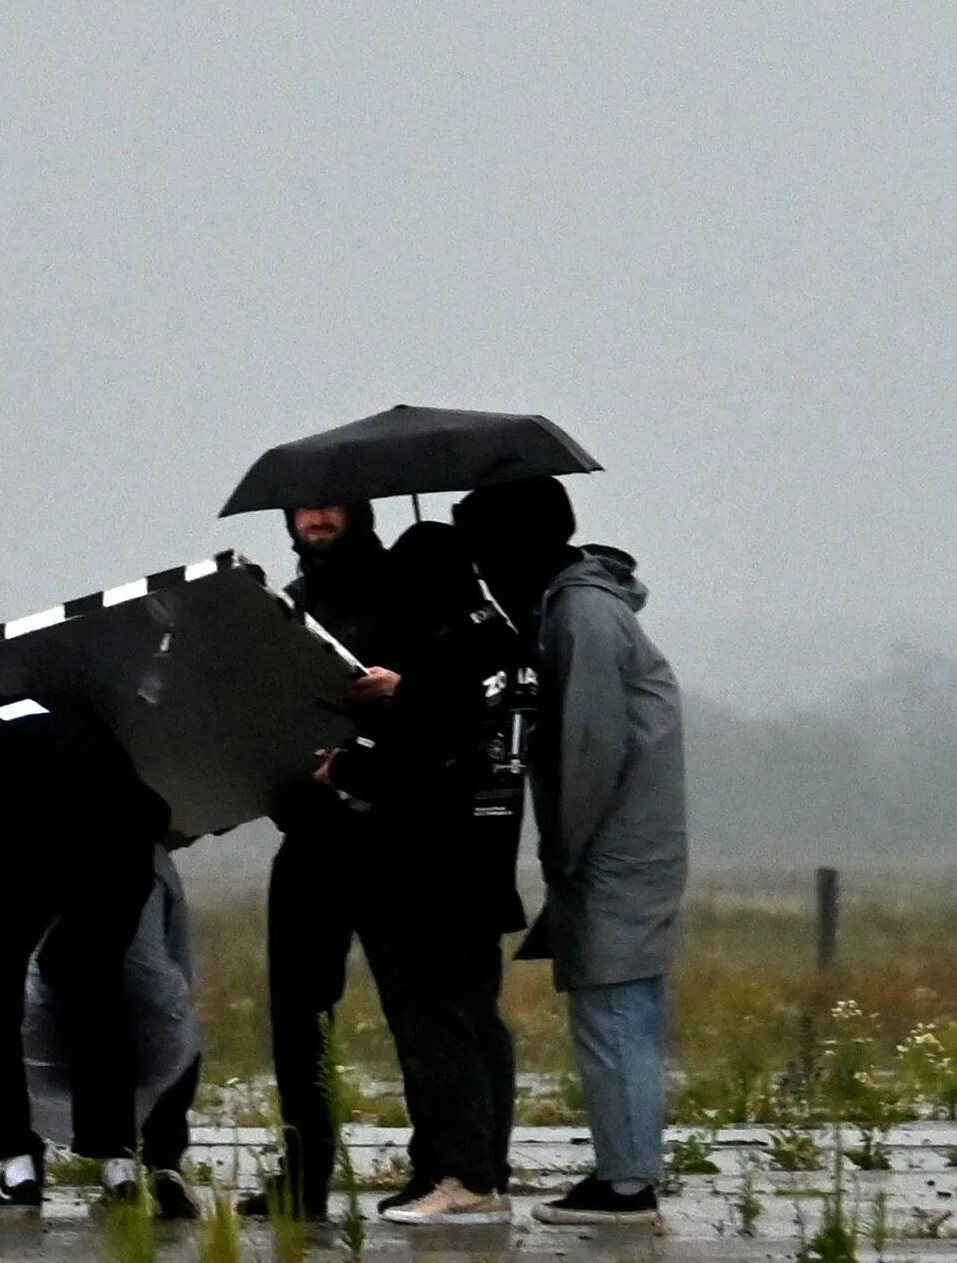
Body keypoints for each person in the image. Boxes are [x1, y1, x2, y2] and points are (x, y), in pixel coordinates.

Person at [455, 475, 686, 1225]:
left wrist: (564, 849)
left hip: (613, 847)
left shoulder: (581, 614)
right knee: (621, 1007)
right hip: (627, 843)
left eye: (485, 547)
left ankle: (625, 1185)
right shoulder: (576, 606)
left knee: (613, 1009)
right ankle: (626, 1172)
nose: (481, 567)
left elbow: (589, 745)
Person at [0, 675, 170, 1210]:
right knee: (92, 984)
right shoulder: (62, 710)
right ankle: (119, 1168)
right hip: (118, 848)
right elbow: (150, 811)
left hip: (17, 858)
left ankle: (18, 1170)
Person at [330, 522, 533, 1224]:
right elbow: (464, 720)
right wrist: (406, 686)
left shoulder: (442, 648)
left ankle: (459, 1175)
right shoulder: (501, 639)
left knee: (431, 1025)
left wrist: (343, 766)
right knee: (476, 1020)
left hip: (424, 869)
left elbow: (420, 756)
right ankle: (482, 1168)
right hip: (484, 863)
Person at [242, 500, 405, 1220]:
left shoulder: (401, 590)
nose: (315, 518)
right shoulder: (291, 602)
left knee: (417, 1010)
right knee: (296, 1017)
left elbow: (434, 698)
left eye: (329, 506)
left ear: (357, 513)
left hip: (393, 829)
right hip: (309, 832)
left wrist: (396, 701)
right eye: (303, 509)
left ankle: (444, 1170)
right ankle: (304, 1175)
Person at [0, 843, 206, 1219]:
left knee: (0, 996)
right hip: (127, 855)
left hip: (25, 854)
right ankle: (147, 1162)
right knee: (149, 1001)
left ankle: (21, 1164)